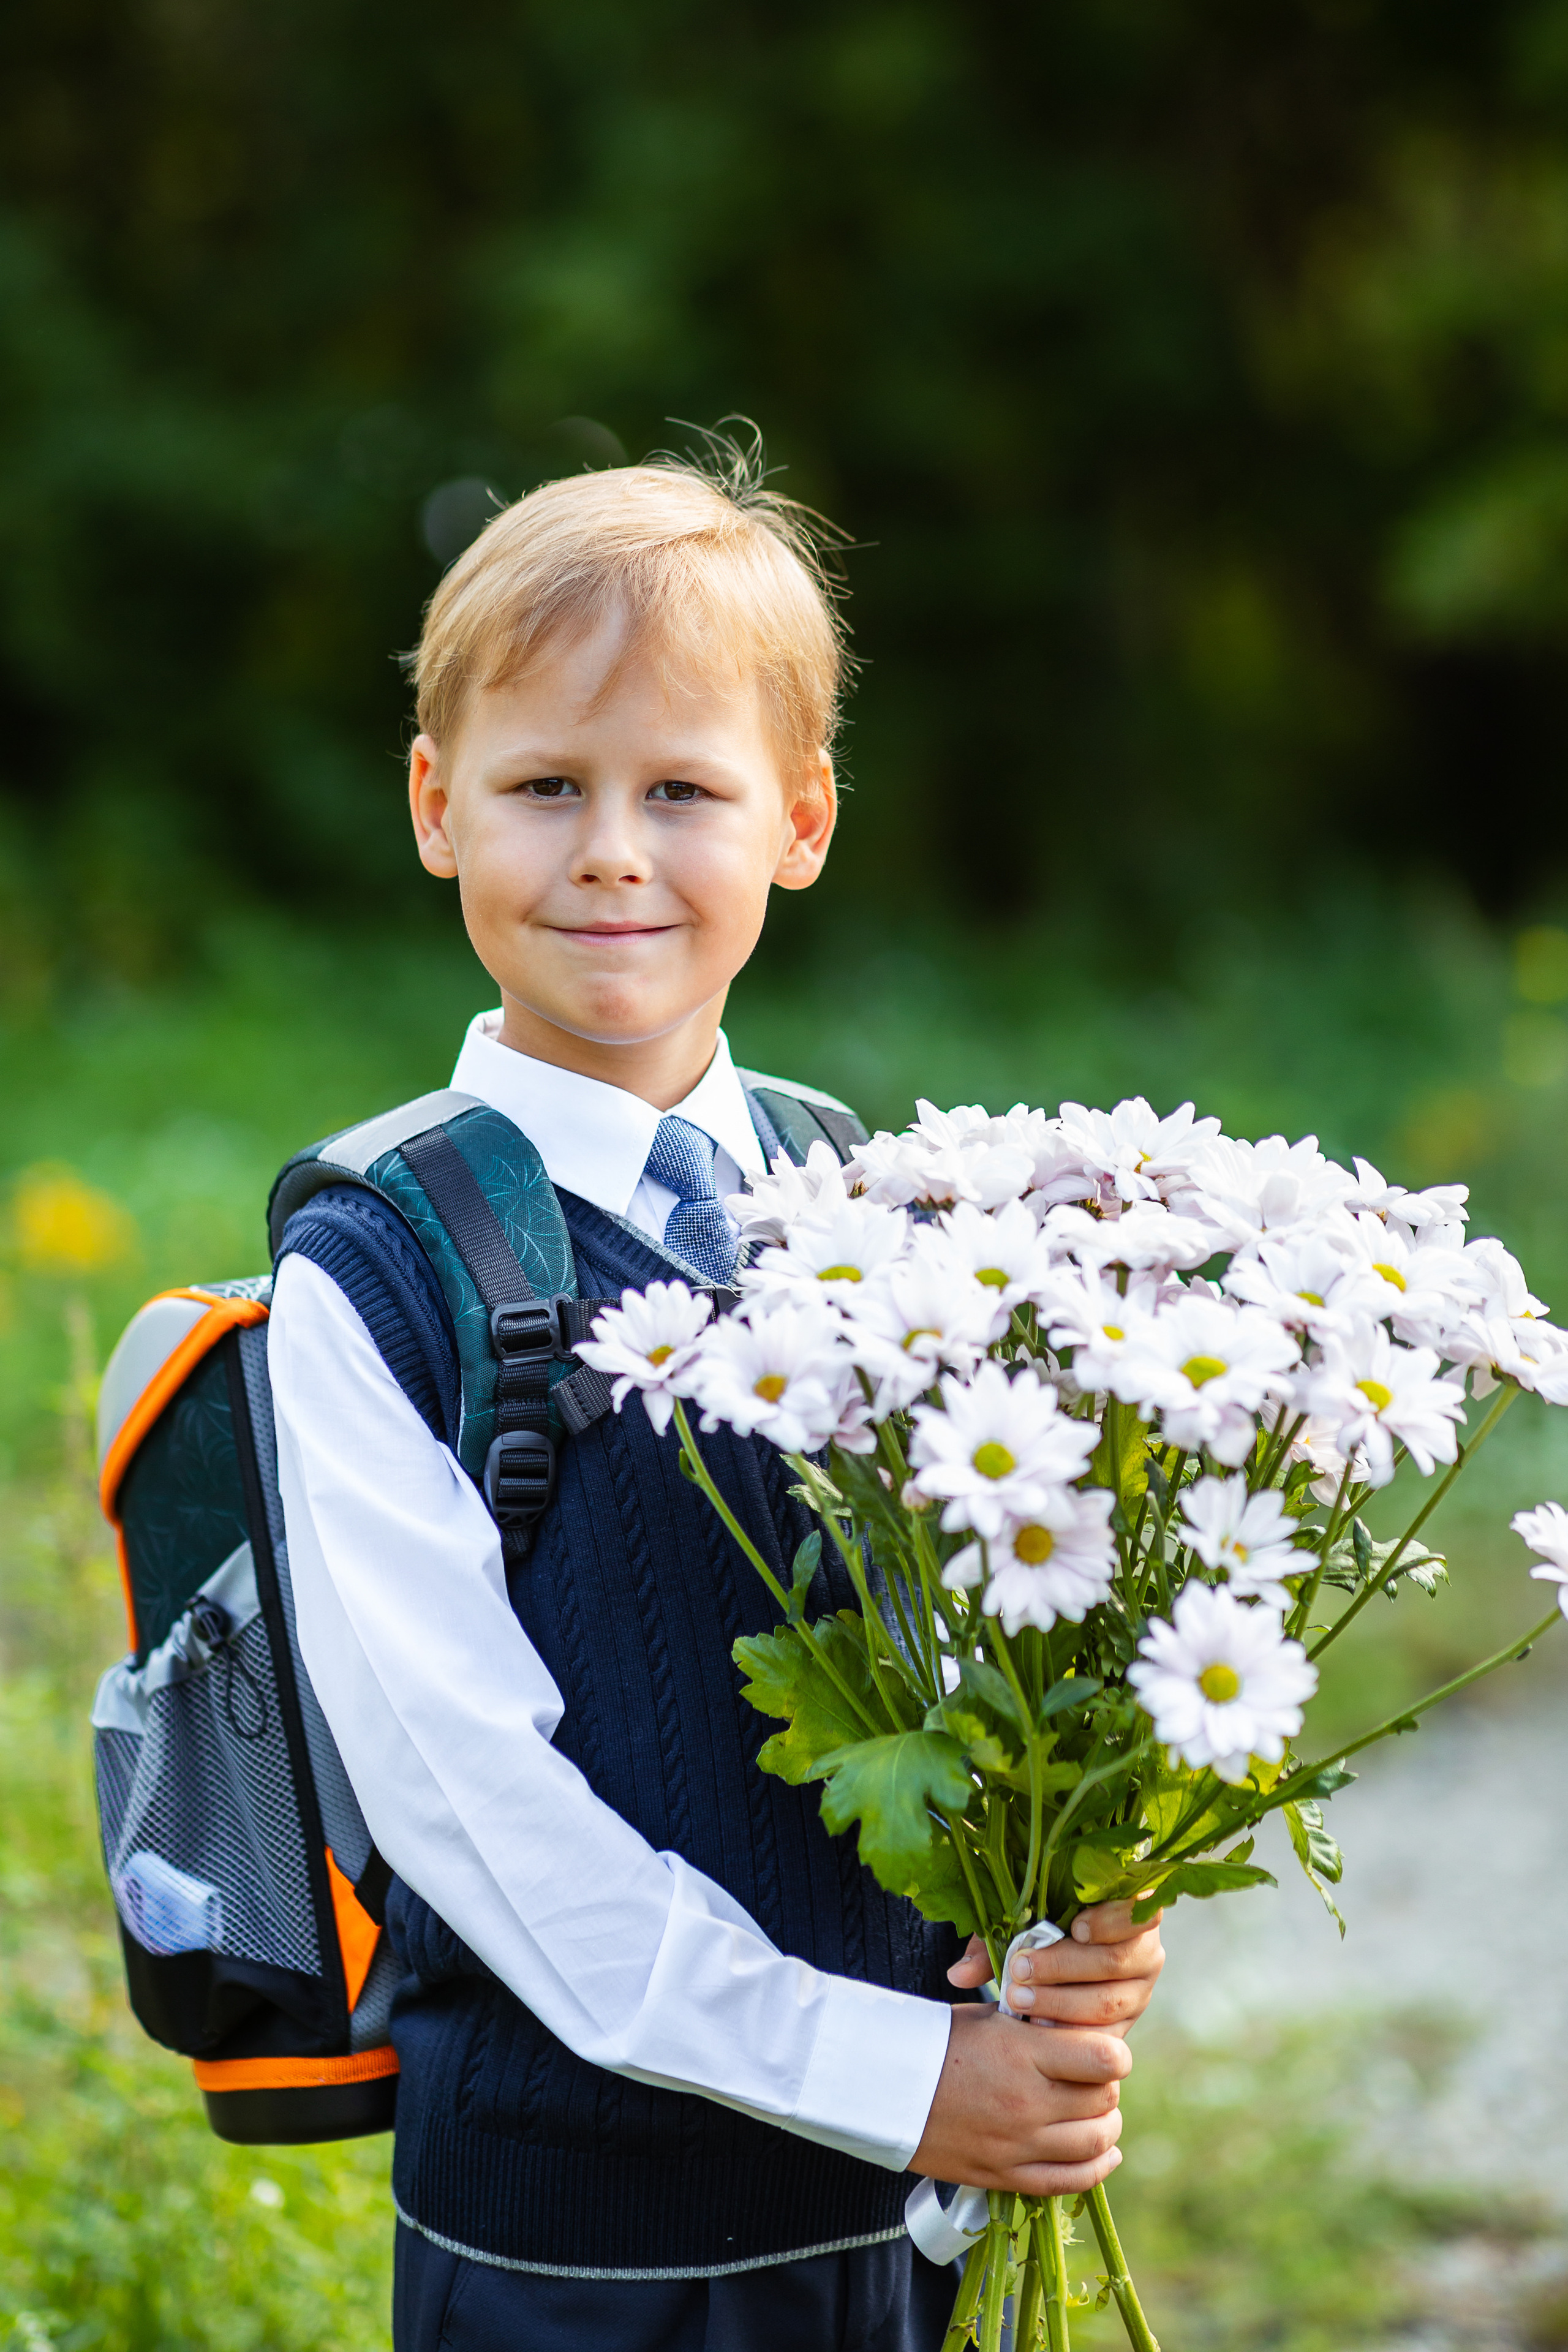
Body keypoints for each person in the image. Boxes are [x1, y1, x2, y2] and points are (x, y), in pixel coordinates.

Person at [266, 447, 1165, 2352]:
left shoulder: (877, 1203)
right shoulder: (375, 1270)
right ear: (437, 807)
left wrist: (1073, 1899)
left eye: (682, 789)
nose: (610, 850)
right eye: (543, 788)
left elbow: (973, 1655)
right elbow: (479, 1818)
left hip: (907, 2224)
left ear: (805, 819)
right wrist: (887, 2069)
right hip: (582, 2251)